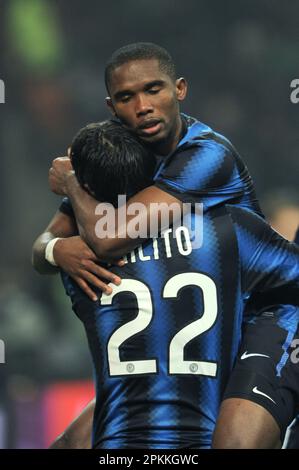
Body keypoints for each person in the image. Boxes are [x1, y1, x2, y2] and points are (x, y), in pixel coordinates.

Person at [33, 42, 298, 448]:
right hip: (198, 324)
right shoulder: (120, 157)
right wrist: (56, 250)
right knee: (78, 443)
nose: (142, 106)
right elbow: (45, 248)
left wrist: (72, 182)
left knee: (234, 441)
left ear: (180, 90)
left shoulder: (207, 155)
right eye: (127, 97)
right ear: (111, 106)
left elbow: (106, 238)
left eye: (153, 89)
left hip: (266, 314)